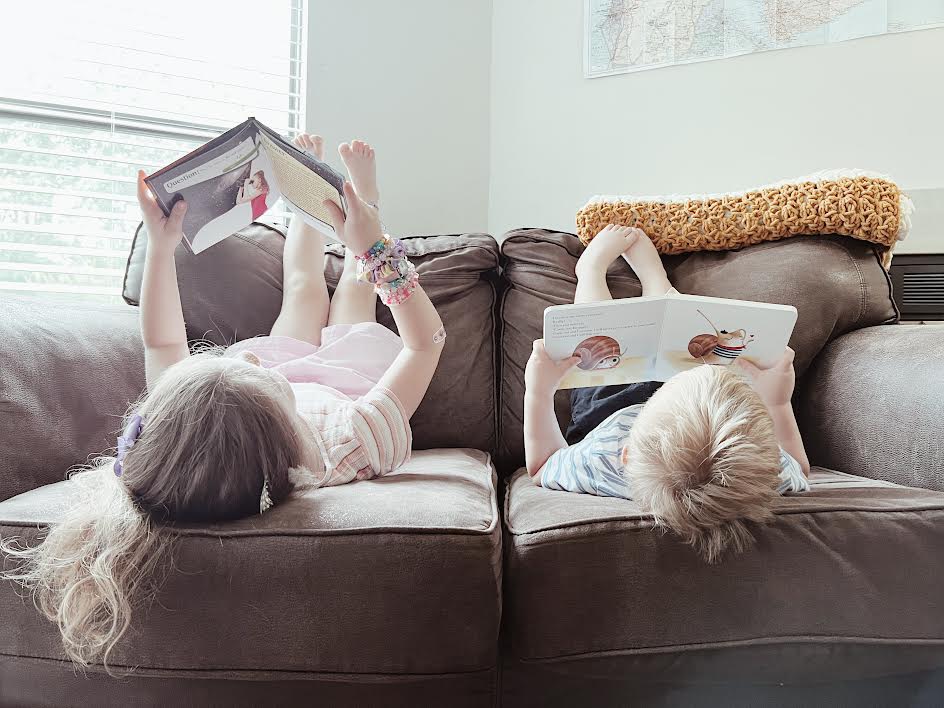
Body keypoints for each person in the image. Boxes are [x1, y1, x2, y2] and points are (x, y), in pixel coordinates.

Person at [1, 133, 445, 667]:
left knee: (303, 286)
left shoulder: (197, 422)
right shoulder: (352, 439)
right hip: (351, 376)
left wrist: (162, 247)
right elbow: (426, 343)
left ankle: (313, 200)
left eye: (239, 362)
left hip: (269, 379)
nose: (251, 359)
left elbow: (162, 342)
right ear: (282, 438)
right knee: (354, 284)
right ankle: (359, 203)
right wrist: (374, 246)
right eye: (254, 372)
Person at [524, 225, 810, 563]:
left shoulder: (603, 457)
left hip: (606, 414)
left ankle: (591, 271)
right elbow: (801, 469)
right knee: (676, 333)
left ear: (625, 456)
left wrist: (539, 391)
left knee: (600, 337)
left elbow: (542, 466)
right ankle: (656, 281)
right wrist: (777, 401)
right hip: (695, 413)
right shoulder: (761, 476)